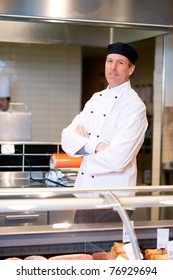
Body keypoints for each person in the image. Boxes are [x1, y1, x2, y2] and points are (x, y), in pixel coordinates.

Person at [61, 42, 148, 223]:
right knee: (81, 251)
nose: (113, 67)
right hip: (85, 196)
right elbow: (66, 138)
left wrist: (83, 149)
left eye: (120, 63)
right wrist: (98, 146)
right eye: (109, 61)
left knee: (108, 251)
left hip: (114, 200)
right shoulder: (95, 99)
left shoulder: (134, 106)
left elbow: (118, 159)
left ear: (131, 69)